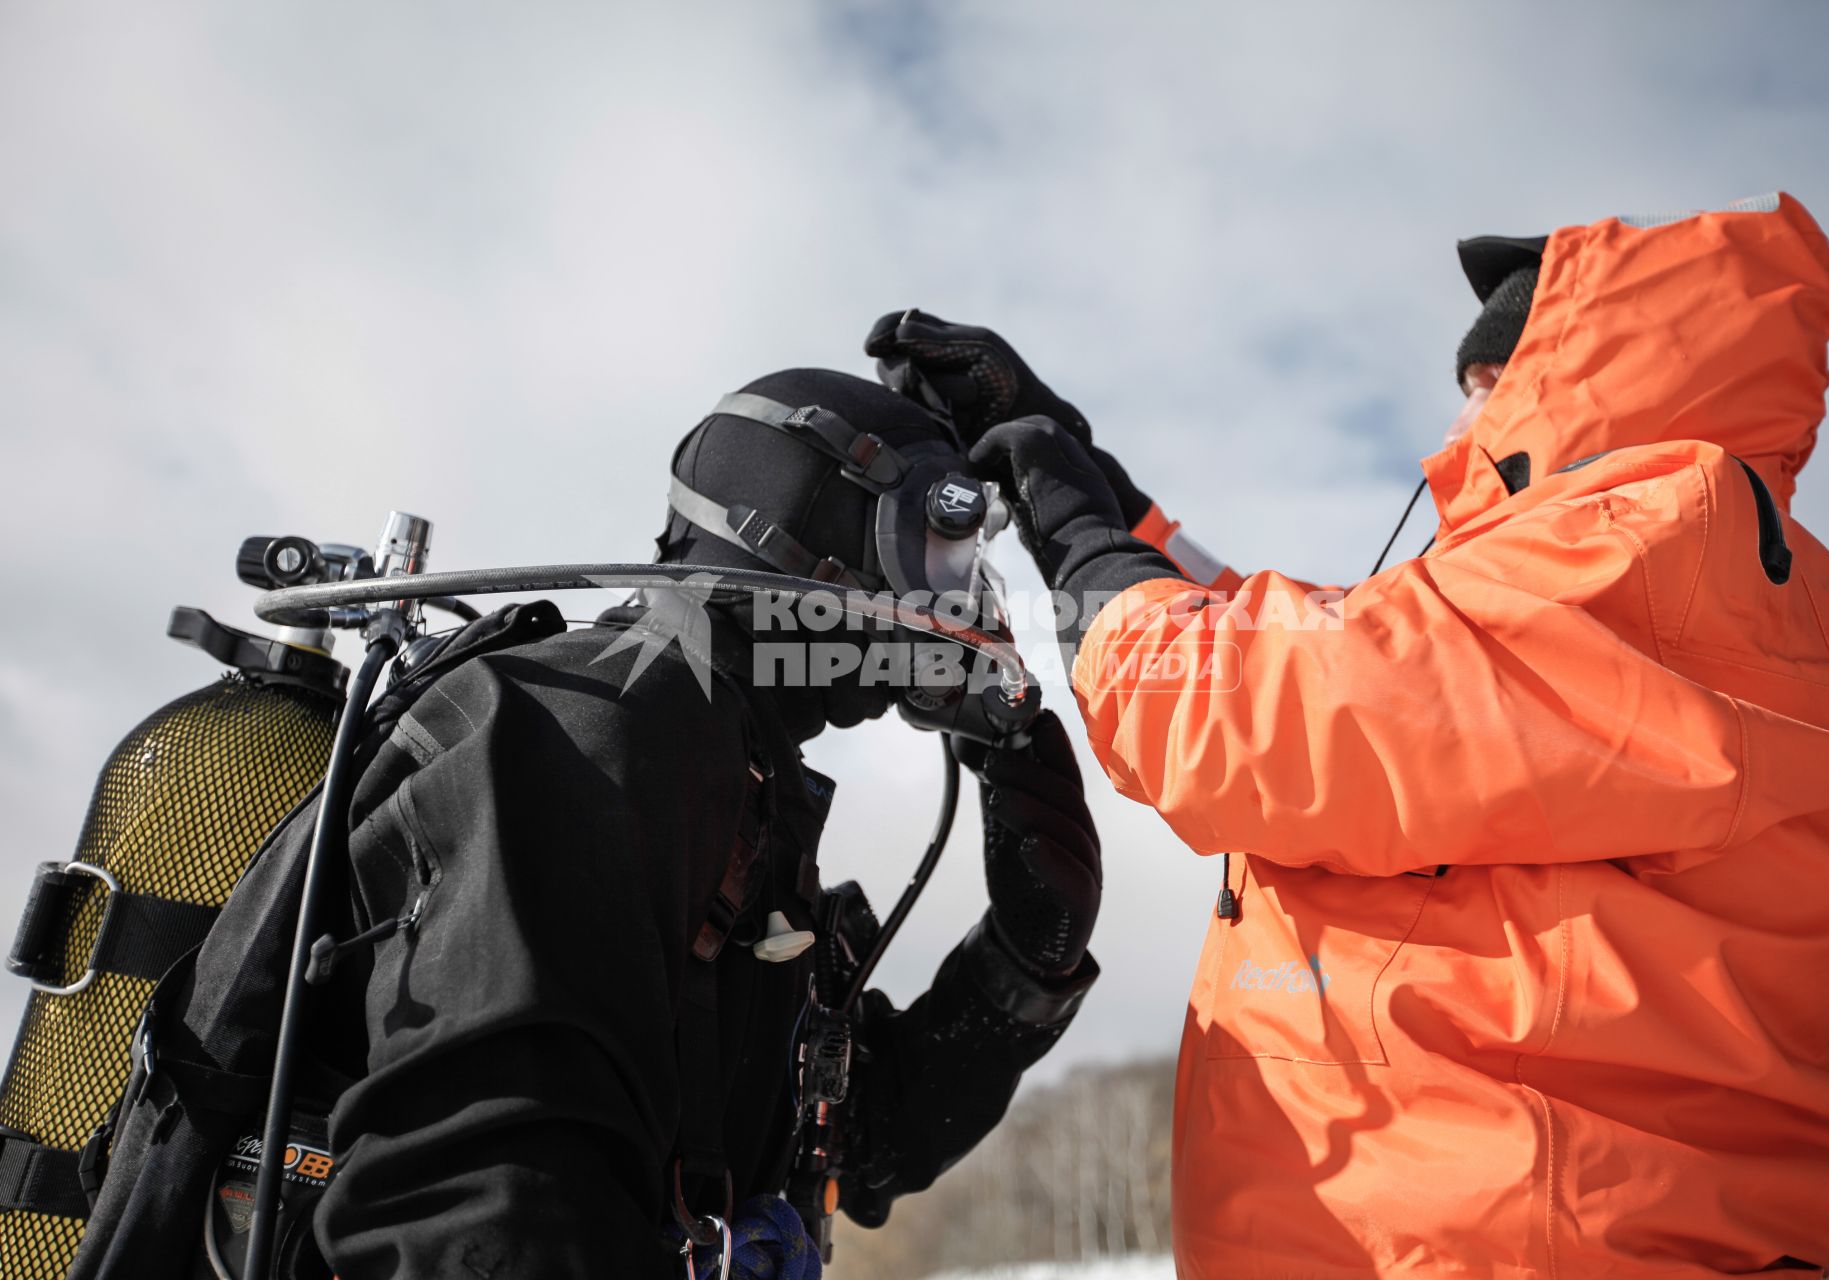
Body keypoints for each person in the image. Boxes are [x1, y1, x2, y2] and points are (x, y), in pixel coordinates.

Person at [867, 191, 1829, 1277]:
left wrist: (1082, 537)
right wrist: (1094, 476)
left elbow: (1240, 702)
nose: (1458, 433)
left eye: (1485, 390)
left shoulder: (1651, 549)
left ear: (1593, 383)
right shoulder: (1705, 583)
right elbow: (1342, 656)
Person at [70, 368, 1101, 1279]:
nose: (962, 597)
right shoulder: (582, 734)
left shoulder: (742, 795)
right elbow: (486, 1213)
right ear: (808, 523)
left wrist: (1022, 961)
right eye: (936, 539)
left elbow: (844, 1151)